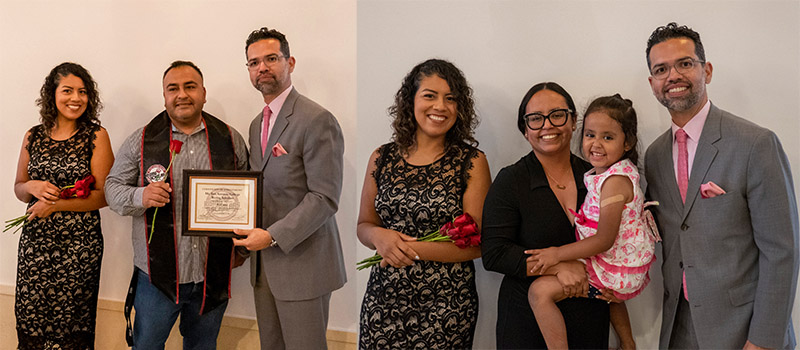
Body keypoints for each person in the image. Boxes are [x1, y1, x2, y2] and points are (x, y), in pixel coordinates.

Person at [643, 22, 799, 349]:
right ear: (652, 83)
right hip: (678, 328)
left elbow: (782, 251)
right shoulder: (655, 156)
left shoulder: (756, 143)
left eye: (685, 63)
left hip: (744, 331)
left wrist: (764, 341)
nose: (673, 75)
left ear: (707, 70)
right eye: (661, 69)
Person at [104, 60, 248, 349]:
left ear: (203, 93)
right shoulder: (141, 140)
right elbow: (111, 189)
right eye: (173, 88)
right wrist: (140, 196)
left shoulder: (230, 140)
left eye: (190, 86)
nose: (182, 94)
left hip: (212, 274)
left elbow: (248, 199)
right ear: (165, 96)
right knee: (147, 346)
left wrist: (242, 249)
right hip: (156, 279)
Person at [356, 58, 491, 349]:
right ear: (410, 101)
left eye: (450, 98)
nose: (440, 106)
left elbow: (478, 243)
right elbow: (364, 225)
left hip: (447, 305)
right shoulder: (382, 157)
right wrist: (379, 236)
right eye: (429, 95)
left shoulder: (472, 162)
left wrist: (407, 249)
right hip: (383, 299)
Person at [231, 27, 346, 349]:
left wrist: (272, 235)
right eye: (253, 63)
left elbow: (324, 197)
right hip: (263, 266)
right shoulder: (257, 124)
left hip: (303, 264)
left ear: (290, 62)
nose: (262, 68)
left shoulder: (316, 119)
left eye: (271, 59)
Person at [482, 82, 611, 349]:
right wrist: (559, 266)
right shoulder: (511, 180)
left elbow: (615, 243)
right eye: (535, 119)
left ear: (574, 121)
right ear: (525, 130)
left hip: (590, 316)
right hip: (525, 322)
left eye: (557, 115)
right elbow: (494, 253)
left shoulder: (600, 177)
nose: (547, 125)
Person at [527, 94, 655, 349]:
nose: (596, 144)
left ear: (627, 142)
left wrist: (557, 254)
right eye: (590, 135)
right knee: (608, 296)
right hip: (618, 262)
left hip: (615, 264)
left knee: (539, 292)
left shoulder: (614, 182)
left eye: (608, 137)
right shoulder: (609, 173)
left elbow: (604, 240)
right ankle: (628, 344)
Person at [13, 62, 113, 349]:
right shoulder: (33, 135)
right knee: (31, 320)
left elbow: (104, 195)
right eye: (67, 90)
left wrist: (56, 206)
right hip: (35, 244)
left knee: (70, 327)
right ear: (52, 94)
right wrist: (31, 187)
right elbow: (18, 188)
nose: (76, 98)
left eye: (82, 92)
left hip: (79, 247)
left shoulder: (96, 136)